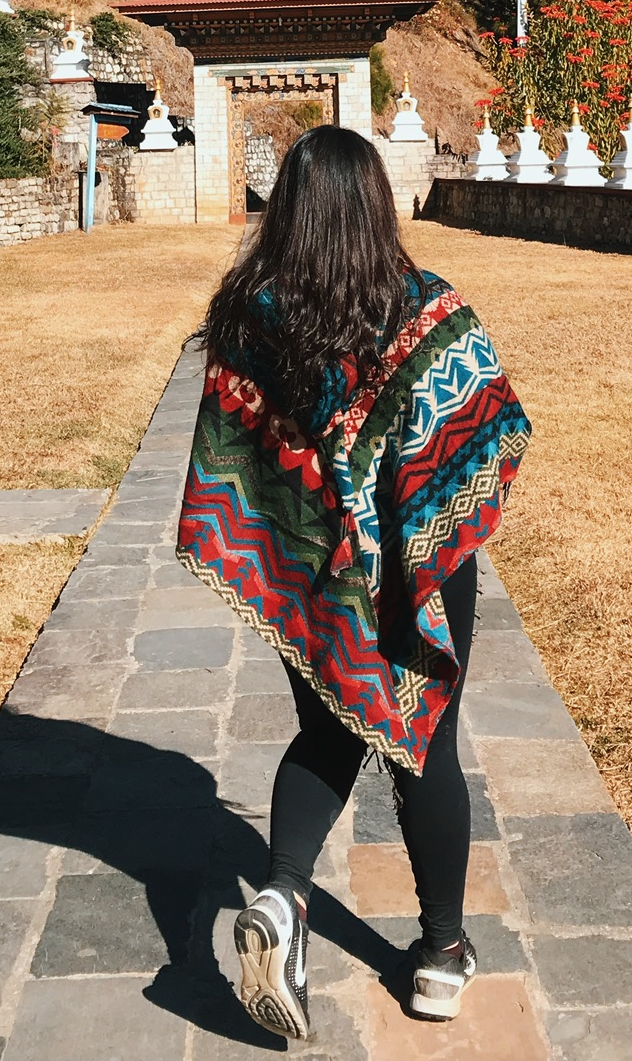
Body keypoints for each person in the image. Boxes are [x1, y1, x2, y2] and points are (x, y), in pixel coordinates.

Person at [177, 126, 530, 1040]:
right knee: (424, 744)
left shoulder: (249, 312)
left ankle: (286, 897)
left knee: (326, 728)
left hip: (307, 570)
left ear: (287, 204)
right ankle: (442, 957)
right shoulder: (427, 308)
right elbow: (486, 425)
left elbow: (238, 461)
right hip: (420, 564)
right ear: (377, 202)